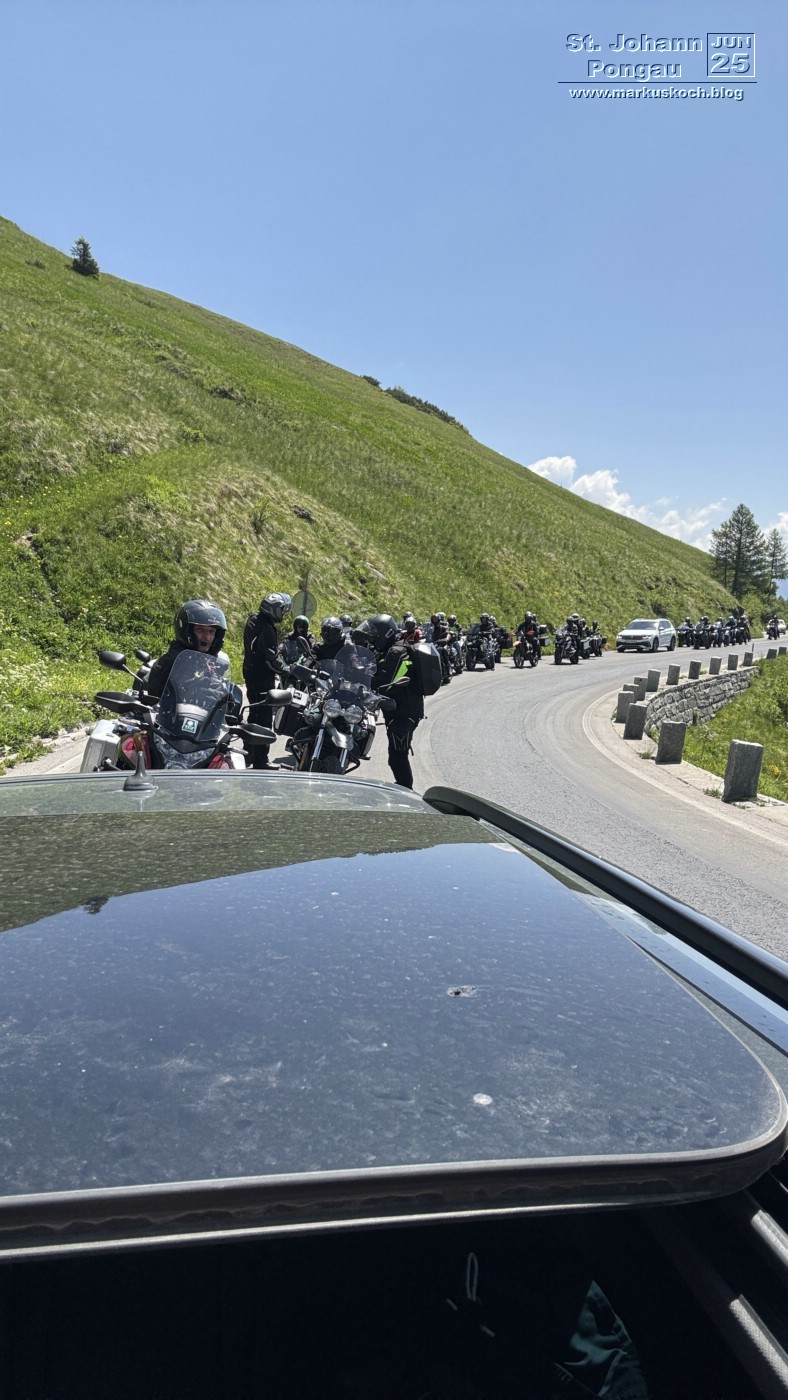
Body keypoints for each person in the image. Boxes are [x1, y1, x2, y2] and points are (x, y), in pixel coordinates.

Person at [352, 613, 424, 789]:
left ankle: (406, 790)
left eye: (375, 635)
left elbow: (384, 682)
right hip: (397, 709)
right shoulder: (389, 649)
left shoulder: (396, 652)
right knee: (396, 755)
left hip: (405, 711)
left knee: (397, 756)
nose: (372, 639)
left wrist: (360, 676)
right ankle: (404, 786)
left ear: (385, 633)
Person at [242, 592, 291, 769]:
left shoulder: (253, 620)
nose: (283, 614)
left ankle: (248, 754)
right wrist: (287, 670)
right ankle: (261, 761)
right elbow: (271, 660)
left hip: (249, 671)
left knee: (253, 714)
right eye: (282, 610)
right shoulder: (268, 629)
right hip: (262, 677)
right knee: (263, 719)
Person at [147, 599, 228, 699]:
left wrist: (223, 697)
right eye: (200, 630)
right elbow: (155, 702)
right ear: (187, 631)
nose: (207, 637)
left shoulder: (207, 661)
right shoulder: (167, 664)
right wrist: (189, 692)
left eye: (211, 631)